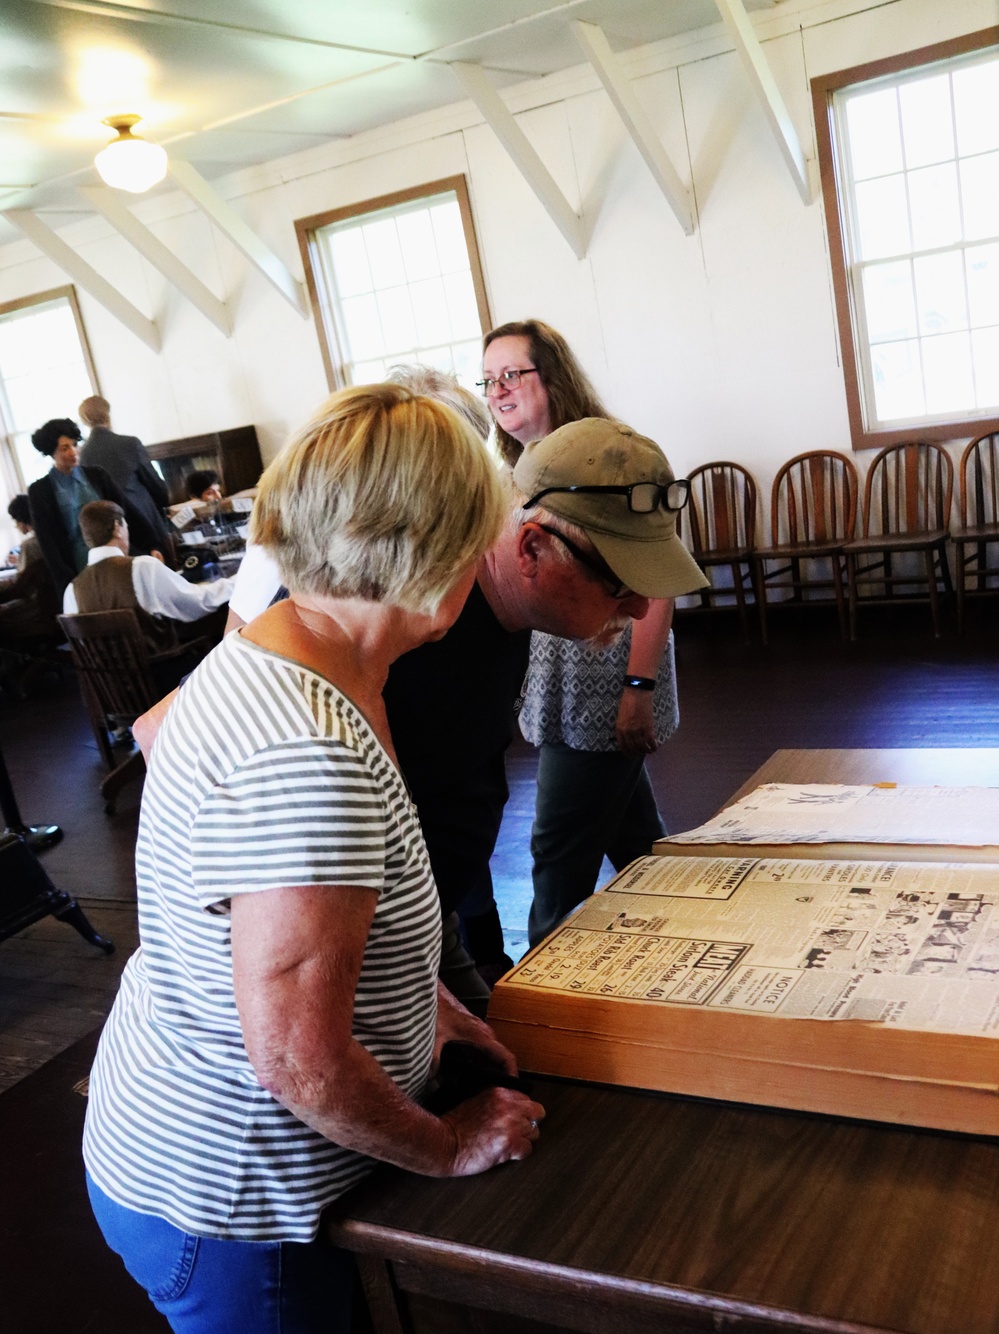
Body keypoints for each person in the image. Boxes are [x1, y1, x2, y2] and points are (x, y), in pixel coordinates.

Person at [83, 383, 545, 1334]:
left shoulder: (282, 650)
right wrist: (445, 1148)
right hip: (232, 1196)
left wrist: (421, 1000)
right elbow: (295, 1057)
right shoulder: (307, 747)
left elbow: (295, 915)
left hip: (185, 1136)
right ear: (429, 556)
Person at [184, 370, 703, 1015]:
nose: (640, 603)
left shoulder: (503, 612)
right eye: (617, 580)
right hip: (362, 963)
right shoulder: (399, 625)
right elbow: (181, 730)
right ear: (533, 548)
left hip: (426, 923)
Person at [481, 320, 705, 947]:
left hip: (606, 688)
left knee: (558, 857)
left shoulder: (607, 457)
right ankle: (689, 930)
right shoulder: (513, 469)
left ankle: (542, 989)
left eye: (512, 374)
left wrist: (637, 686)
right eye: (489, 379)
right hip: (559, 692)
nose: (499, 390)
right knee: (635, 835)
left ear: (550, 377)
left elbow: (655, 581)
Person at [63, 500, 234, 651]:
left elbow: (86, 647)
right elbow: (197, 603)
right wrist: (235, 582)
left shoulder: (72, 590)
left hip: (109, 685)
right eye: (126, 526)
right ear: (117, 528)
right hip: (163, 675)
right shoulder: (142, 567)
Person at [27, 418, 165, 598]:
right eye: (64, 448)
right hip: (77, 565)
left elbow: (126, 511)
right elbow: (48, 542)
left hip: (117, 555)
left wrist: (151, 544)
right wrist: (68, 581)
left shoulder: (97, 475)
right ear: (51, 452)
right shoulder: (40, 491)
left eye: (75, 444)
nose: (73, 452)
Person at [78, 395, 174, 560]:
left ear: (84, 420)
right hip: (146, 522)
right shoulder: (130, 443)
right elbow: (155, 485)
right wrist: (165, 510)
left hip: (110, 532)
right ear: (108, 414)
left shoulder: (82, 455)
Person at [0, 494, 59, 647]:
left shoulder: (30, 545)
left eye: (15, 521)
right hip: (57, 604)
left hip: (38, 609)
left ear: (22, 520)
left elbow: (21, 584)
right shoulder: (52, 536)